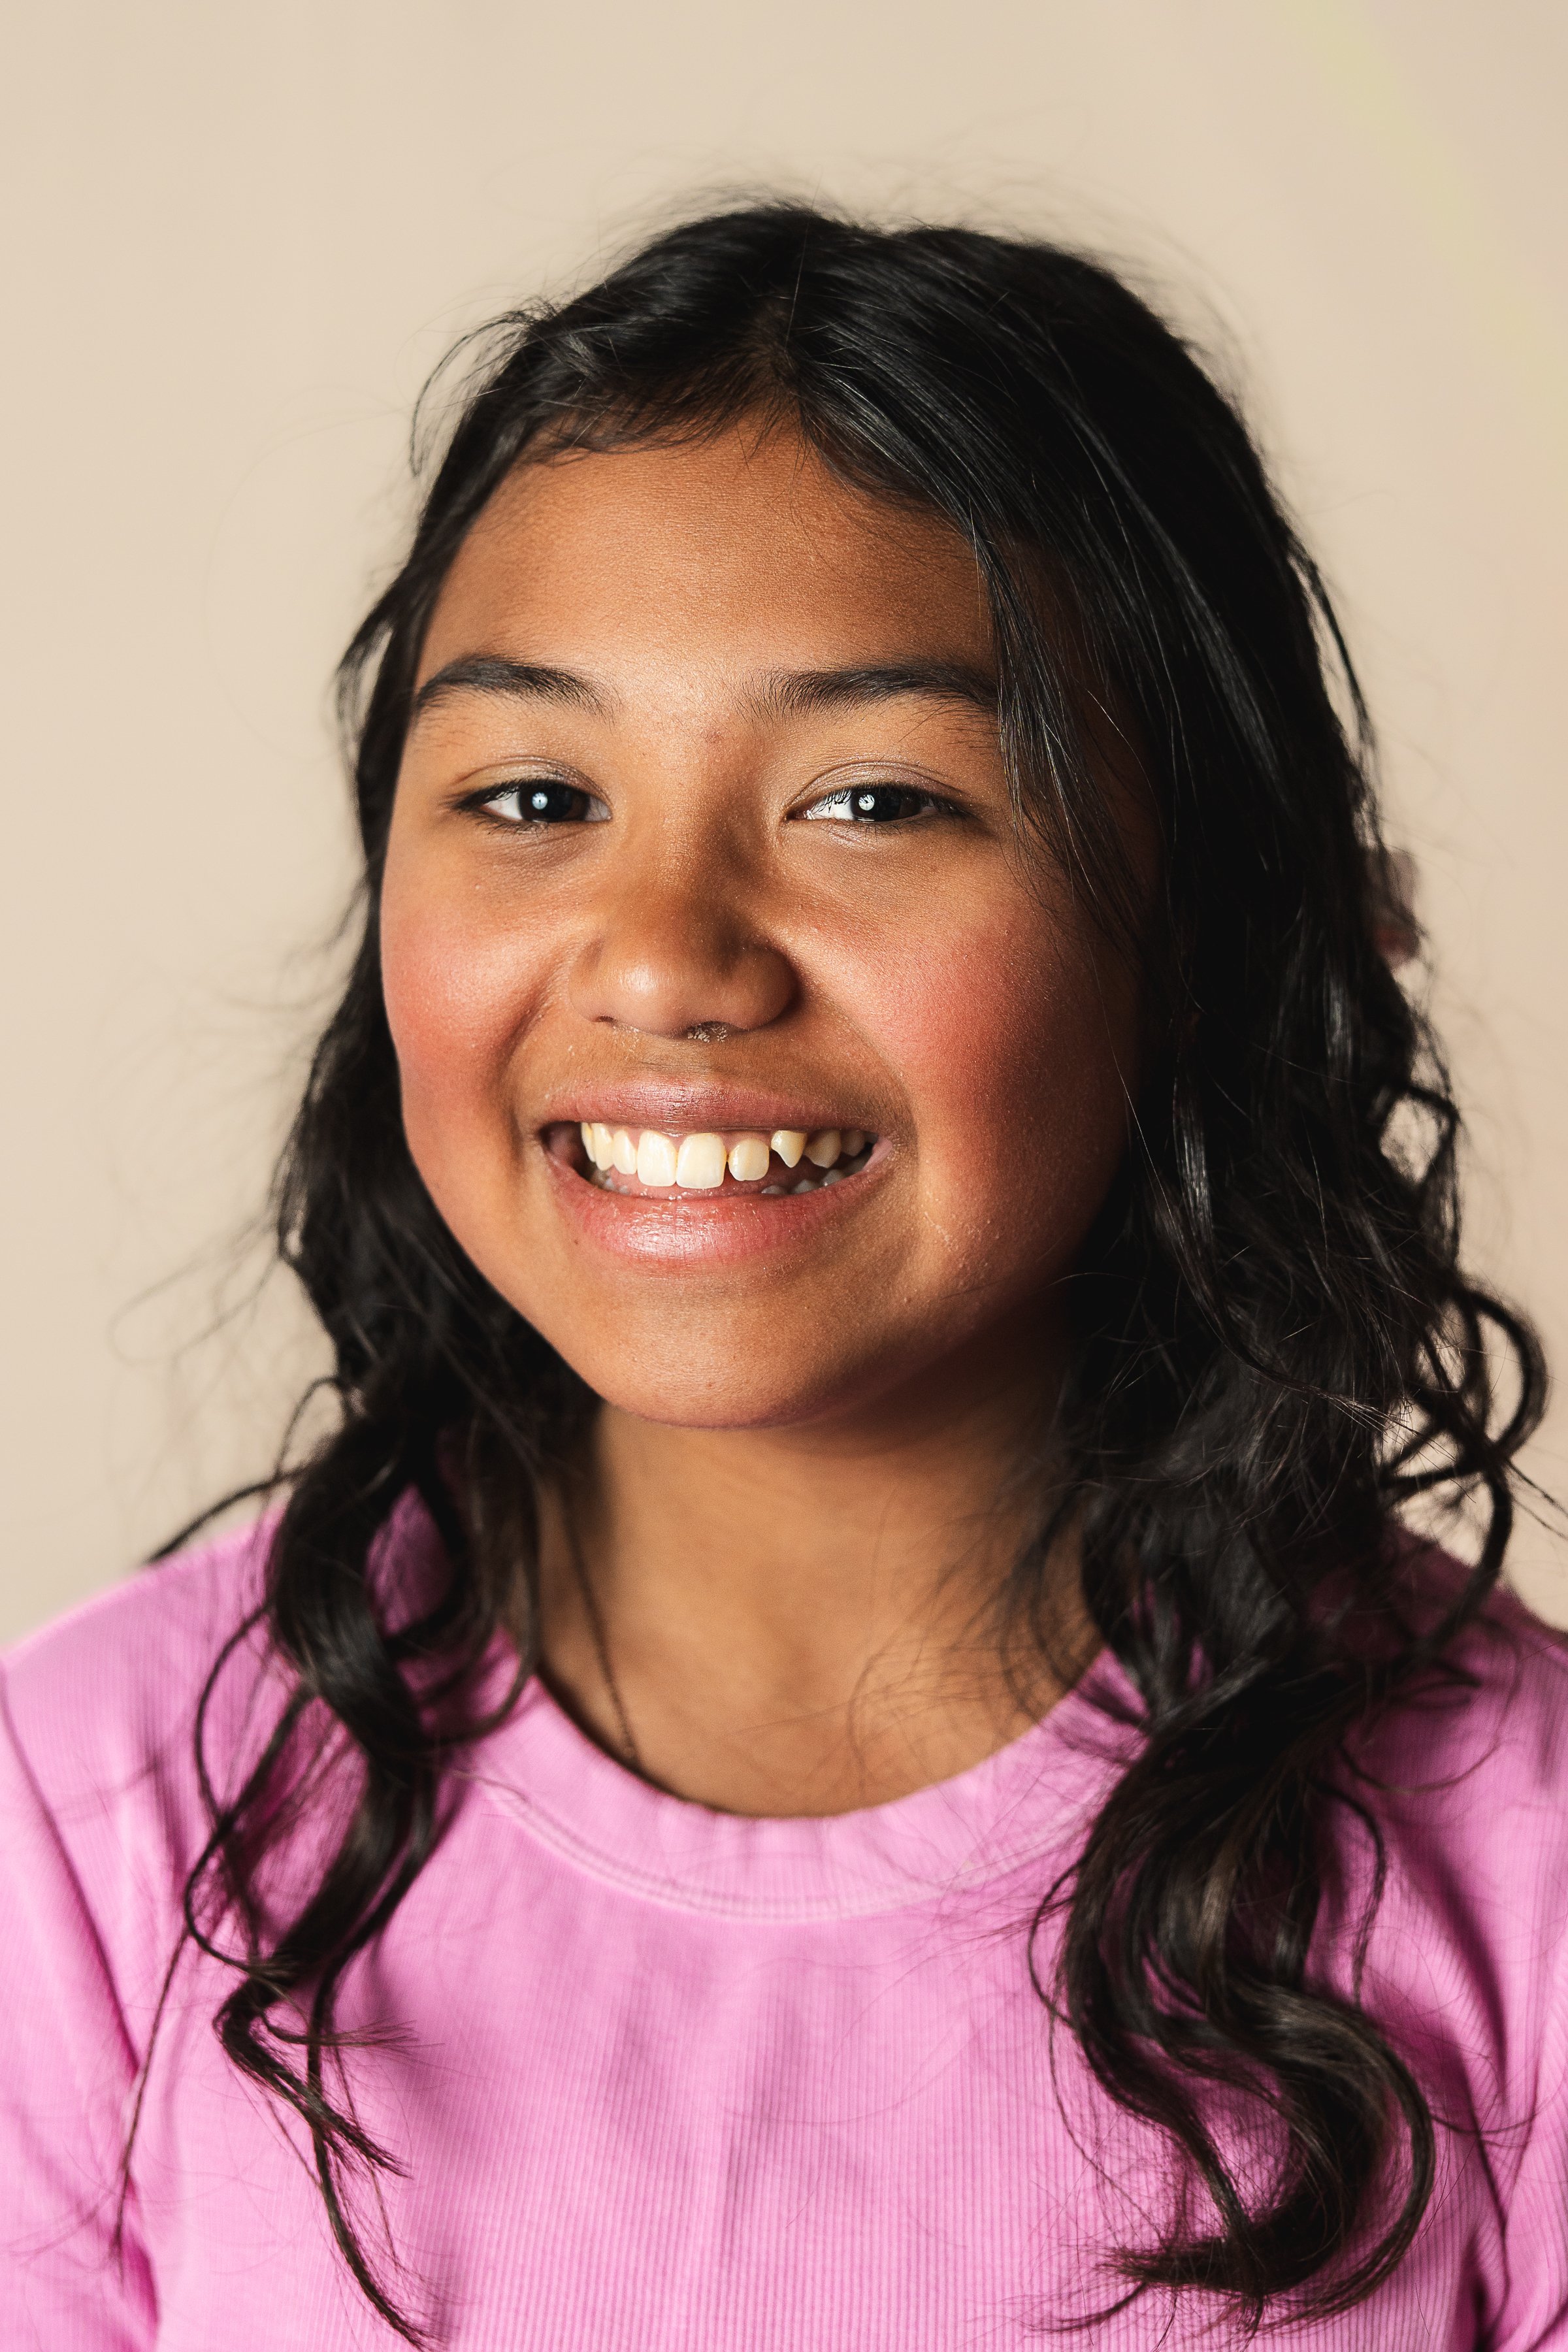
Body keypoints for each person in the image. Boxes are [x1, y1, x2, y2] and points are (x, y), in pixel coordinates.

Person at [1, 203, 1562, 2351]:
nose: (663, 956)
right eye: (535, 792)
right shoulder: (77, 1833)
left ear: (1202, 927)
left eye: (874, 799)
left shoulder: (1533, 1887)